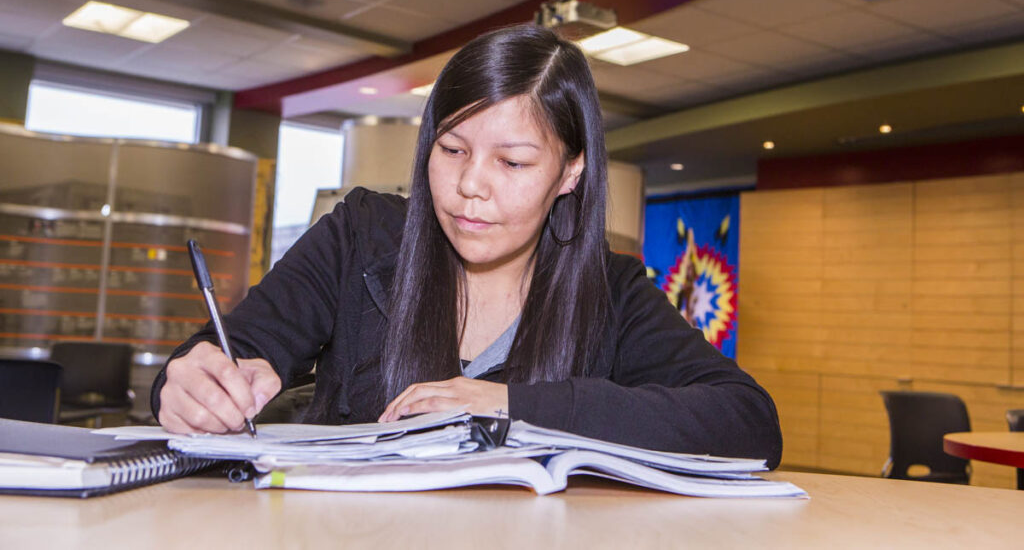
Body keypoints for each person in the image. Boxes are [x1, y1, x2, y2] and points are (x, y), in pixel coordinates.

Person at [152, 23, 782, 467]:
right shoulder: (362, 235)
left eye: (511, 163)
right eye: (451, 150)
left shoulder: (611, 291)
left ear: (570, 172)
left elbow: (748, 421)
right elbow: (229, 352)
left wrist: (513, 405)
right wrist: (189, 386)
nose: (468, 187)